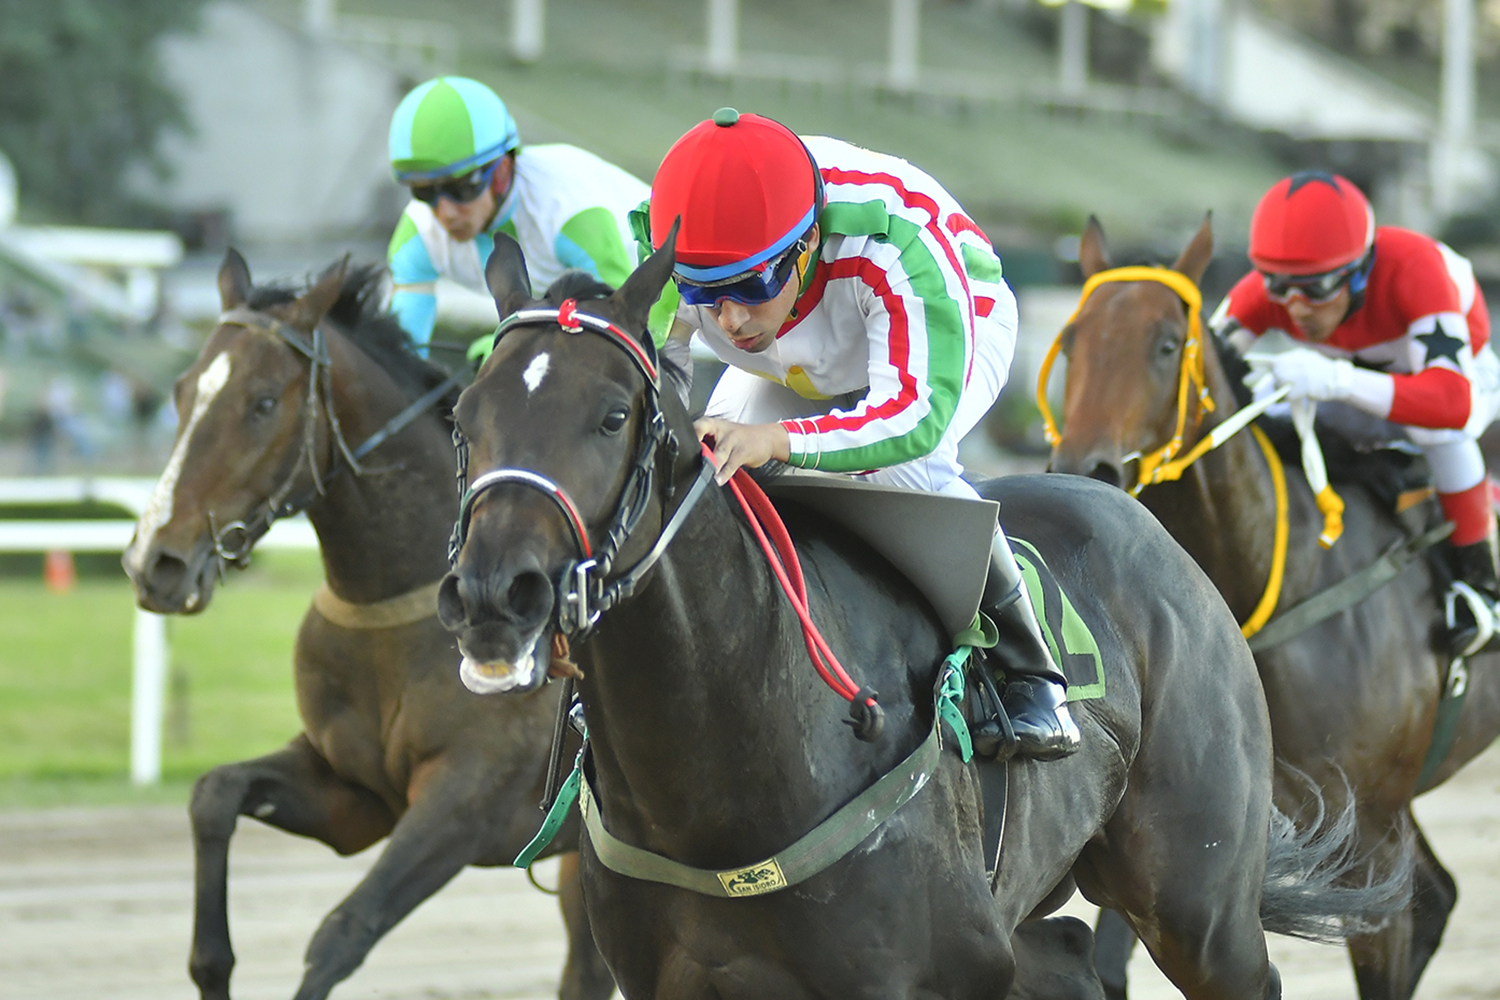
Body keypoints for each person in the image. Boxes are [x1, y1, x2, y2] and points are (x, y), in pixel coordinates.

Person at [641, 108, 1080, 760]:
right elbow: (657, 385)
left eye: (751, 284)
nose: (729, 320)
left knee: (906, 469)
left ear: (807, 243)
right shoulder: (668, 238)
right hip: (797, 344)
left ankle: (1033, 676)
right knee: (710, 470)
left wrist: (778, 440)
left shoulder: (895, 240)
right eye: (704, 292)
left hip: (949, 320)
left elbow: (912, 421)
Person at [1212, 170, 1500, 656]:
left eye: (1317, 288)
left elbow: (1453, 403)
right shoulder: (1270, 290)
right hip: (1368, 387)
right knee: (1268, 409)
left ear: (1361, 270)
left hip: (1459, 385)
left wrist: (1338, 380)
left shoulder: (1416, 268)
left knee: (1436, 433)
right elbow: (1200, 371)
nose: (1297, 308)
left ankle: (1483, 589)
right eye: (1279, 286)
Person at [386, 76, 672, 355]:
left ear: (501, 172)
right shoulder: (419, 233)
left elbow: (620, 321)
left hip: (675, 294)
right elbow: (403, 356)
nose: (445, 212)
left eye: (461, 189)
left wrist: (517, 344)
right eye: (424, 192)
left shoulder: (563, 209)